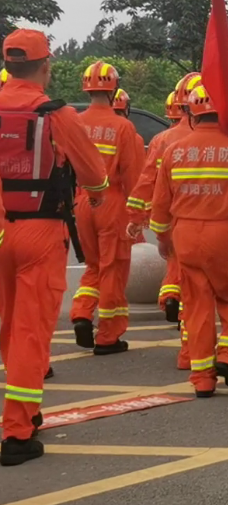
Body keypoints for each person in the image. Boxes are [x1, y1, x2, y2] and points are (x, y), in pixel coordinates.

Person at [0, 29, 109, 466]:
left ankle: (22, 410)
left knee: (8, 324)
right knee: (31, 330)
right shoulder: (56, 113)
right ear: (45, 66)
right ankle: (18, 431)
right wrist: (98, 195)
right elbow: (93, 171)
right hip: (41, 232)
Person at [150, 84, 228, 397]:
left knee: (197, 306)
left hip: (185, 235)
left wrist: (164, 241)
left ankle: (202, 378)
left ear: (190, 114)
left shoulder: (174, 150)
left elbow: (160, 205)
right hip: (225, 233)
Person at [68, 62, 145, 355]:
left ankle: (81, 312)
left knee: (93, 265)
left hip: (82, 201)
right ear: (113, 89)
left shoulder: (74, 122)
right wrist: (138, 216)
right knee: (113, 267)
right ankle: (108, 336)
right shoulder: (123, 127)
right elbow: (133, 177)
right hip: (112, 202)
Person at [127, 75, 198, 367]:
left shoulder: (162, 139)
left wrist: (137, 216)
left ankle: (170, 293)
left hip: (170, 212)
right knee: (201, 286)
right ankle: (188, 324)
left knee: (173, 260)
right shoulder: (225, 140)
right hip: (207, 215)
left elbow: (147, 180)